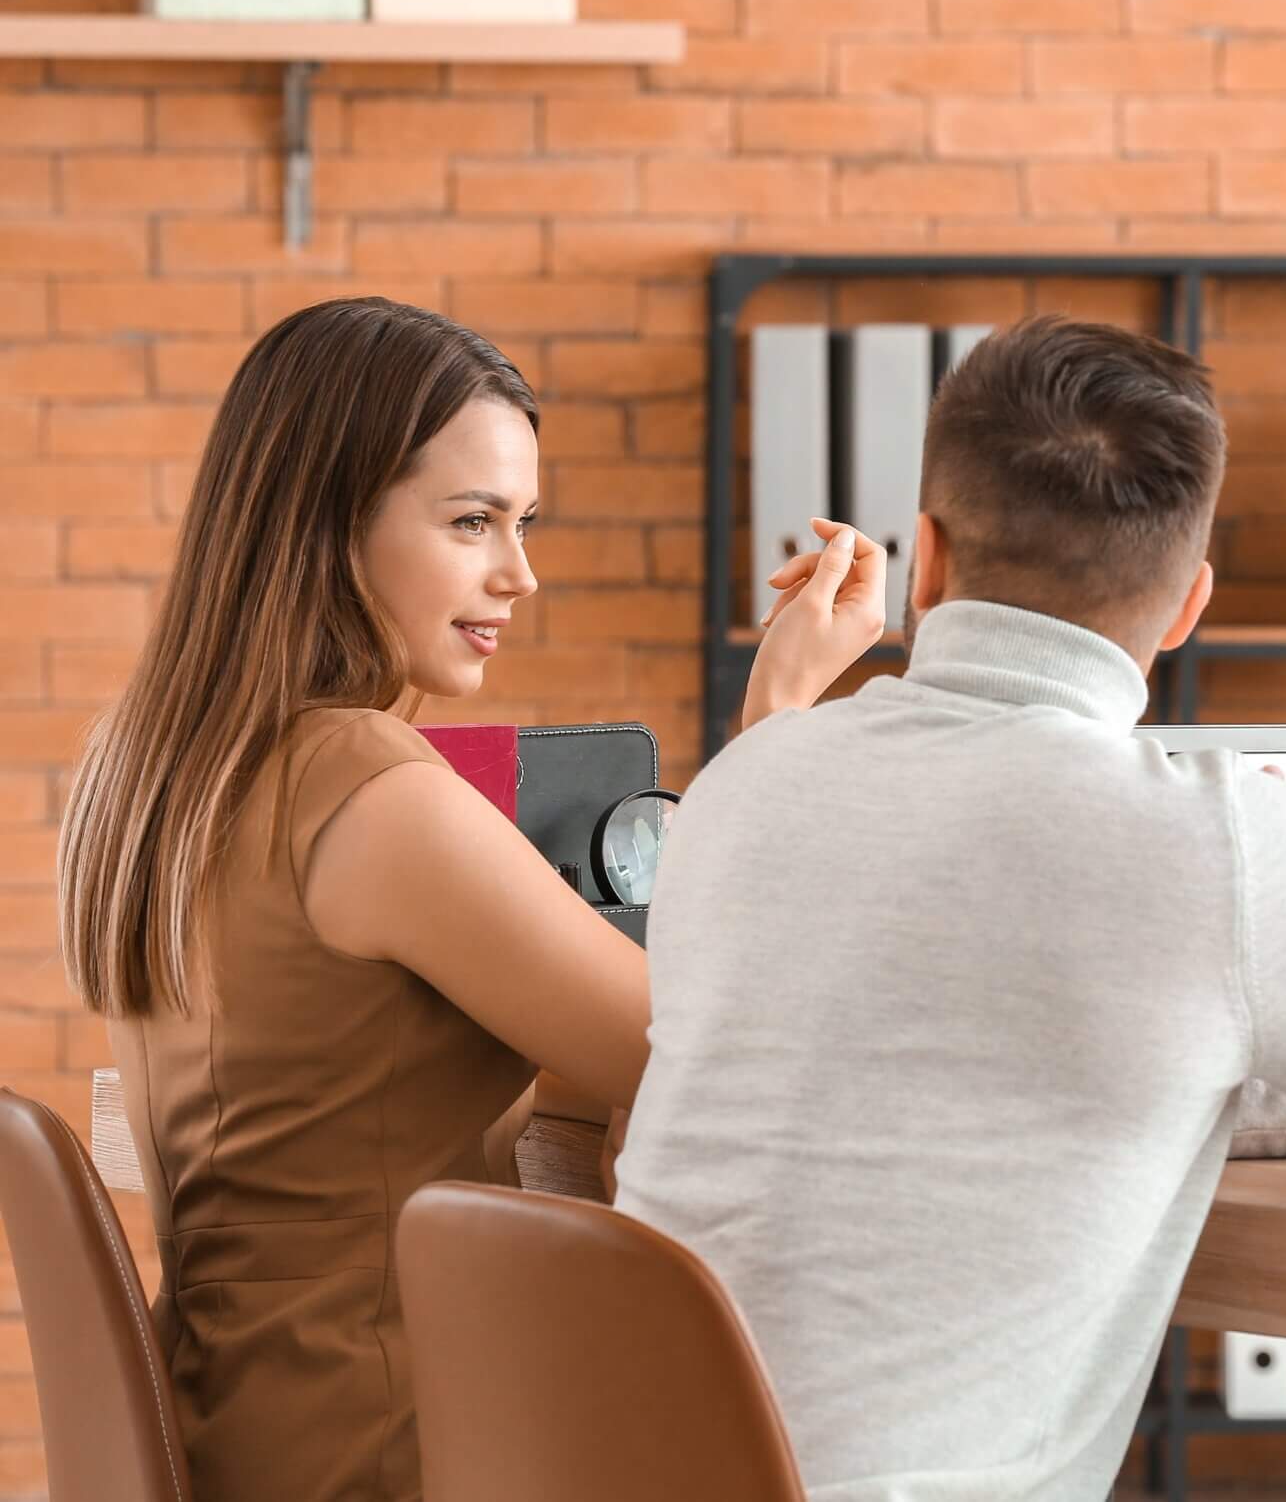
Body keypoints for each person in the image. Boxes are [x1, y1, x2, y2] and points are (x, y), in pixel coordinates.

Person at [612, 314, 1286, 1500]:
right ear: (1188, 606)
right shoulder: (1217, 839)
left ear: (923, 556)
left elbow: (966, 1067)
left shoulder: (740, 784)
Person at [55, 297, 878, 1502]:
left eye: (523, 522)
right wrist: (782, 719)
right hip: (387, 1439)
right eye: (471, 521)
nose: (520, 573)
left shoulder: (153, 764)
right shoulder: (369, 790)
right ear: (326, 524)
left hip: (245, 1413)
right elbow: (705, 1059)